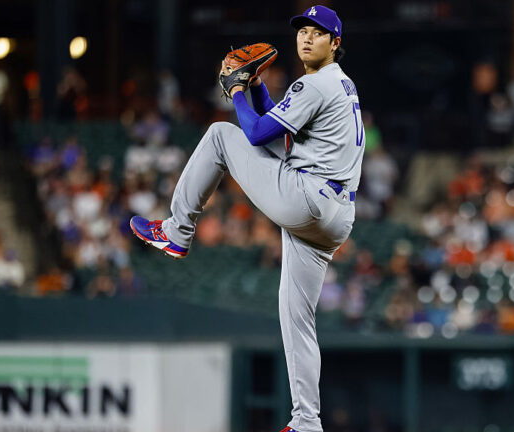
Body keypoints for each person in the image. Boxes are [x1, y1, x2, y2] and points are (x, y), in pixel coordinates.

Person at [129, 6, 363, 432]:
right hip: (333, 213)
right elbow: (276, 126)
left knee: (221, 135)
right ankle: (307, 423)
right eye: (303, 31)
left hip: (307, 197)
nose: (307, 38)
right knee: (296, 318)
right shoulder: (339, 85)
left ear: (336, 44)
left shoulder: (315, 83)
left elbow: (254, 134)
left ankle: (177, 230)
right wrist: (253, 87)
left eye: (319, 33)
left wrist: (236, 91)